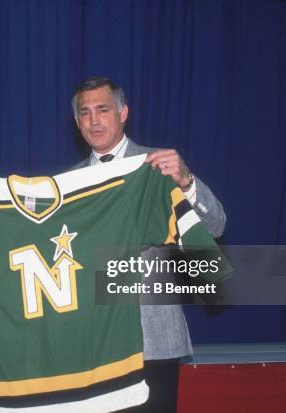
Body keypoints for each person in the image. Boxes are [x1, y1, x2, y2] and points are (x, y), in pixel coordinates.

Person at [70, 76, 226, 413]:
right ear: (76, 121)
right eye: (85, 113)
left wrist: (186, 181)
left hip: (153, 340)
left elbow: (215, 225)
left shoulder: (160, 166)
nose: (94, 120)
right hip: (92, 345)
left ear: (123, 113)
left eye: (103, 110)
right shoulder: (67, 184)